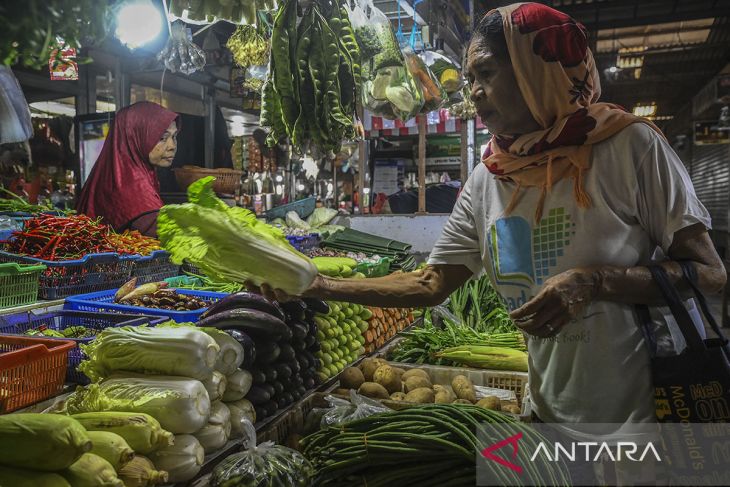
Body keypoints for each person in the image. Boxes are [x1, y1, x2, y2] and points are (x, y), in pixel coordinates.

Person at [254, 2, 725, 481]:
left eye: (488, 73)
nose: (475, 93)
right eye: (470, 77)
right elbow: (430, 284)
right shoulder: (488, 178)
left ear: (536, 70)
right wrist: (317, 287)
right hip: (548, 414)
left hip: (644, 419)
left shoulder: (630, 148)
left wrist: (595, 280)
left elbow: (709, 273)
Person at [76, 102, 179, 236]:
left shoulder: (104, 175)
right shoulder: (136, 192)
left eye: (174, 137)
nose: (172, 146)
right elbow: (166, 238)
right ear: (134, 137)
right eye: (162, 138)